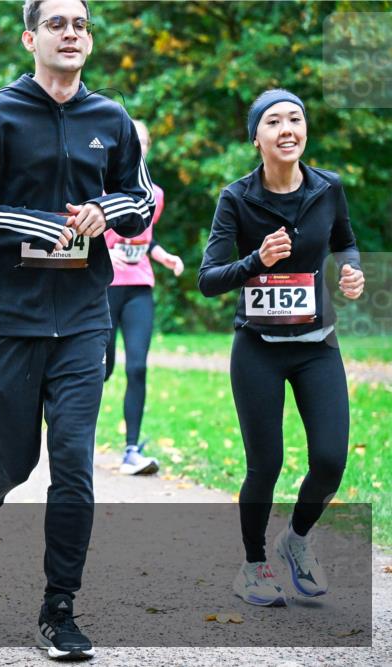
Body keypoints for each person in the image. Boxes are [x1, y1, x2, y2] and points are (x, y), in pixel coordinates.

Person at [0, 0, 155, 659]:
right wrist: (32, 222)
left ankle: (60, 609)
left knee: (75, 464)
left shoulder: (111, 119)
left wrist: (105, 210)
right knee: (15, 460)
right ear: (31, 38)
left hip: (83, 319)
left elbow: (141, 200)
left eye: (80, 24)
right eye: (56, 23)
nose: (71, 33)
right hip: (5, 322)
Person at [198, 89, 364, 607]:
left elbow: (344, 241)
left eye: (295, 118)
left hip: (317, 345)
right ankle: (253, 565)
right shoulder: (236, 198)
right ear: (256, 138)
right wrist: (257, 260)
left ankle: (296, 539)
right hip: (258, 348)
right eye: (273, 122)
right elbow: (208, 279)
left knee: (331, 460)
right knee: (265, 465)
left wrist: (350, 270)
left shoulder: (328, 188)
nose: (287, 129)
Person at [103, 120, 185, 475]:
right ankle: (72, 440)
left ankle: (131, 450)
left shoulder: (155, 194)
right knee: (100, 370)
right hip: (103, 289)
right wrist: (104, 255)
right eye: (131, 141)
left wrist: (164, 256)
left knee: (137, 367)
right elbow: (82, 238)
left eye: (144, 142)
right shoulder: (101, 188)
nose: (138, 148)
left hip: (139, 286)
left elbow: (145, 238)